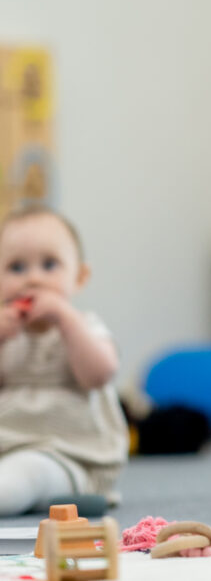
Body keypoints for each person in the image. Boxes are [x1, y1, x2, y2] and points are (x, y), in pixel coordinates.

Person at [0, 206, 127, 515]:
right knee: (17, 471)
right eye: (16, 268)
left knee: (27, 475)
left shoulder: (84, 326)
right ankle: (45, 496)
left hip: (67, 453)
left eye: (49, 264)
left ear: (79, 277)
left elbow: (99, 374)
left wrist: (66, 320)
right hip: (7, 447)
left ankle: (35, 492)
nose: (33, 279)